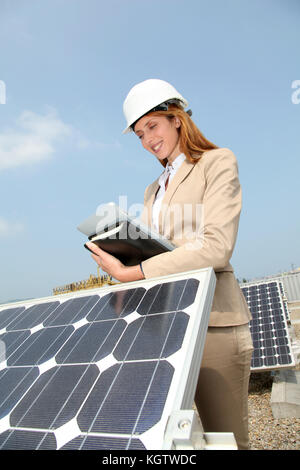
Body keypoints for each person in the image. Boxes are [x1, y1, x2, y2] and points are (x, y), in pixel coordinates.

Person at [86, 78, 254, 450]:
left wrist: (136, 271)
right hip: (170, 325)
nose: (147, 140)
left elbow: (216, 247)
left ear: (176, 118)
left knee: (226, 442)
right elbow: (161, 252)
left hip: (215, 325)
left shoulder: (217, 162)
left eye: (153, 126)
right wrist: (123, 261)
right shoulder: (153, 189)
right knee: (180, 442)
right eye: (139, 134)